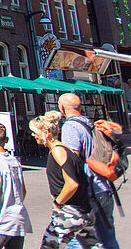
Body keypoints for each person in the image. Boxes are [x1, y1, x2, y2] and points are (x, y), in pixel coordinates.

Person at [29, 111, 101, 248]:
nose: (33, 135)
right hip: (82, 210)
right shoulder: (65, 149)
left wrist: (58, 202)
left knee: (49, 245)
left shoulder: (58, 151)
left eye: (35, 132)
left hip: (70, 212)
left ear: (46, 134)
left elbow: (72, 183)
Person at [59, 93, 121, 248]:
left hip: (88, 192)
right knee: (108, 238)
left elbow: (72, 162)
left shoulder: (70, 127)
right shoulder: (92, 124)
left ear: (62, 107)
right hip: (104, 188)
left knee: (79, 240)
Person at [0, 121, 31, 249]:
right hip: (18, 218)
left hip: (2, 221)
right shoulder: (14, 161)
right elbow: (23, 190)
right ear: (6, 139)